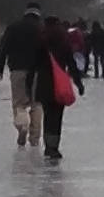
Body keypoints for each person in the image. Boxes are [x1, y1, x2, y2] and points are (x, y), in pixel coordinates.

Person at [0, 3, 47, 146]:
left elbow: (3, 48)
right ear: (38, 13)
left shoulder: (13, 27)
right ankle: (35, 138)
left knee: (19, 103)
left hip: (17, 70)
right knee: (37, 104)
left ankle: (22, 125)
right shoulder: (42, 29)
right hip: (38, 71)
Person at [35, 14, 86, 160]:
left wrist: (29, 83)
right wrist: (78, 83)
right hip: (59, 83)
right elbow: (72, 64)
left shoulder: (41, 42)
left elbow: (33, 64)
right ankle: (54, 146)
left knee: (47, 115)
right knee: (57, 117)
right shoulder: (64, 43)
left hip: (44, 83)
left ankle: (47, 145)